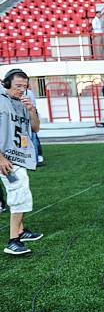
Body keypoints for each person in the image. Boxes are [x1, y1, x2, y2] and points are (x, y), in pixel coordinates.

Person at [0, 69, 43, 255]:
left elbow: (36, 128)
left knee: (20, 191)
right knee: (19, 194)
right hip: (5, 159)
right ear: (7, 83)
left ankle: (20, 231)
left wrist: (32, 110)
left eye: (24, 87)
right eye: (18, 86)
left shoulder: (23, 102)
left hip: (18, 156)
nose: (21, 90)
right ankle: (13, 241)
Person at [25, 83, 44, 166]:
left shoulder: (28, 93)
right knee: (32, 139)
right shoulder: (29, 93)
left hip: (29, 117)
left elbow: (33, 107)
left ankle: (35, 160)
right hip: (28, 117)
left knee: (33, 139)